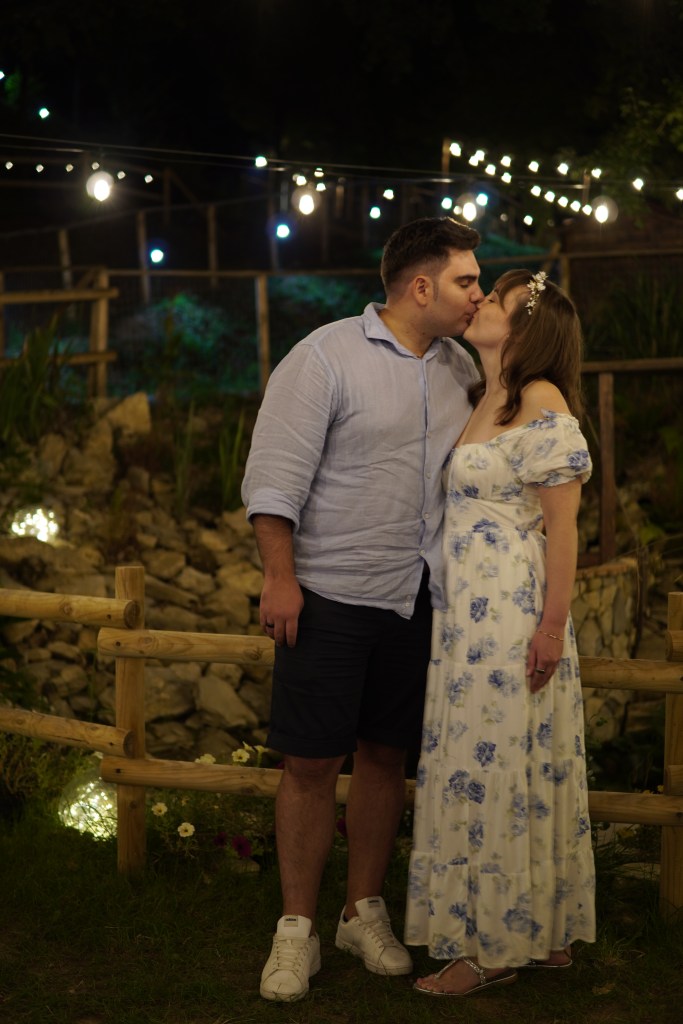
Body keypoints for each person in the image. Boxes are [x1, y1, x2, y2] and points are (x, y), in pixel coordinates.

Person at [241, 216, 485, 1002]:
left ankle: (361, 912)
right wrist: (280, 578)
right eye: (465, 281)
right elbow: (272, 478)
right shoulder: (323, 357)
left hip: (418, 598)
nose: (476, 295)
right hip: (329, 594)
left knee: (386, 757)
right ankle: (295, 931)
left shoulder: (460, 367)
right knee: (310, 762)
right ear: (420, 286)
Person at [404, 268, 596, 996]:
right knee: (499, 760)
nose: (481, 300)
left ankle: (490, 948)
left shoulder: (542, 400)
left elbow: (563, 529)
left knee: (495, 766)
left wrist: (551, 627)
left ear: (526, 329)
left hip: (512, 613)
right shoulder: (489, 395)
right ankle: (537, 929)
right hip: (469, 615)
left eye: (499, 299)